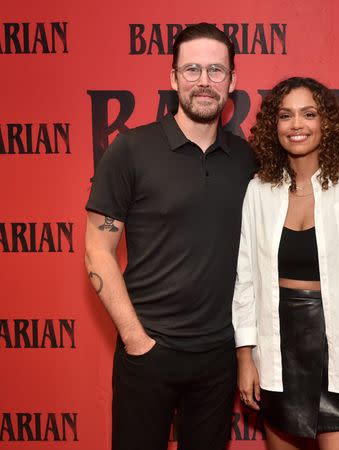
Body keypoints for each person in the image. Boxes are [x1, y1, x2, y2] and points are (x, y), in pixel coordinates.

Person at [84, 23, 258, 450]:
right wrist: (135, 338)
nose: (204, 81)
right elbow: (97, 250)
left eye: (216, 71)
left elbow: (301, 194)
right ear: (173, 77)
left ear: (232, 81)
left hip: (218, 355)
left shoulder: (246, 159)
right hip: (148, 351)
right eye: (192, 69)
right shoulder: (130, 150)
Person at [232, 77, 339, 450]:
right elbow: (246, 282)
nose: (297, 125)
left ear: (326, 123)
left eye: (308, 114)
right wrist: (245, 357)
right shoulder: (258, 192)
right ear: (275, 127)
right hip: (278, 348)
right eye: (286, 116)